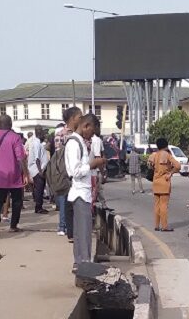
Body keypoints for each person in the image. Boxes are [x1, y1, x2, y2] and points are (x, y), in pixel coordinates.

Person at [66, 114, 106, 271]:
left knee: (81, 232)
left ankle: (80, 263)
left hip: (83, 192)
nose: (92, 136)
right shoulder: (74, 143)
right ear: (86, 126)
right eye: (92, 131)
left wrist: (93, 166)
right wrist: (92, 164)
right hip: (80, 193)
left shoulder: (80, 142)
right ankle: (84, 264)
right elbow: (74, 171)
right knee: (84, 233)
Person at [0, 114, 29, 237]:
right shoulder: (15, 137)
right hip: (14, 175)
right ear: (10, 124)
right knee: (17, 201)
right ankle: (13, 226)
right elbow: (20, 158)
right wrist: (25, 174)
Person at [54, 107, 83, 239]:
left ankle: (66, 228)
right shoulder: (67, 135)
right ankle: (66, 228)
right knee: (67, 202)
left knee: (67, 201)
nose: (81, 119)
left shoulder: (62, 134)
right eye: (79, 117)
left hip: (66, 171)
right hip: (67, 172)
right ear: (72, 118)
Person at [148, 138, 181, 231]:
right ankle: (165, 226)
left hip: (155, 181)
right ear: (166, 145)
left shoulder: (153, 155)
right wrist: (171, 172)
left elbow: (150, 166)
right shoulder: (167, 155)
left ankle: (156, 225)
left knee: (157, 205)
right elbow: (178, 166)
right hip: (164, 181)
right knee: (164, 205)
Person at [28, 125, 49, 214]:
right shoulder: (36, 143)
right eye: (40, 131)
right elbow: (37, 159)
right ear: (37, 132)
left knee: (40, 189)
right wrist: (40, 171)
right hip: (37, 170)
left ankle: (39, 206)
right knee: (39, 189)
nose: (43, 133)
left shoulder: (38, 142)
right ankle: (38, 207)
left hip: (39, 169)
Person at [91, 126, 107, 209]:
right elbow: (98, 157)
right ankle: (103, 205)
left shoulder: (88, 140)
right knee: (98, 187)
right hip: (95, 169)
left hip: (91, 169)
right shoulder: (97, 140)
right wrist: (102, 171)